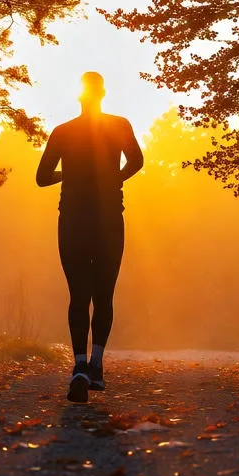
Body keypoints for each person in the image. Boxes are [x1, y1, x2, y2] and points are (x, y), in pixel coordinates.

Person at [36, 71, 144, 403]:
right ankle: (97, 366)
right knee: (104, 295)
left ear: (79, 96)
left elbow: (41, 177)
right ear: (103, 94)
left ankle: (79, 367)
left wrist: (69, 174)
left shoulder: (63, 131)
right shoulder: (120, 125)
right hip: (109, 219)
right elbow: (137, 161)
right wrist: (115, 178)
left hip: (72, 221)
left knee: (78, 295)